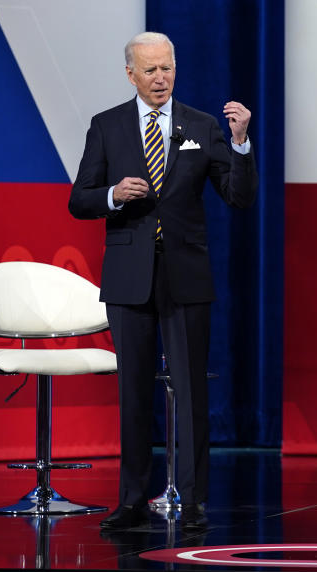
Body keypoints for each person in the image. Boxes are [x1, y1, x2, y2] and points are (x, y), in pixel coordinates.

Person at [69, 31, 258, 531]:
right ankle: (131, 500)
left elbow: (238, 198)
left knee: (191, 391)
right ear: (130, 73)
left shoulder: (202, 125)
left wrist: (239, 145)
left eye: (167, 68)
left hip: (186, 276)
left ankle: (193, 501)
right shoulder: (106, 126)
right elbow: (79, 199)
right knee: (133, 393)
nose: (161, 78)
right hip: (129, 277)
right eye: (150, 70)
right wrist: (113, 193)